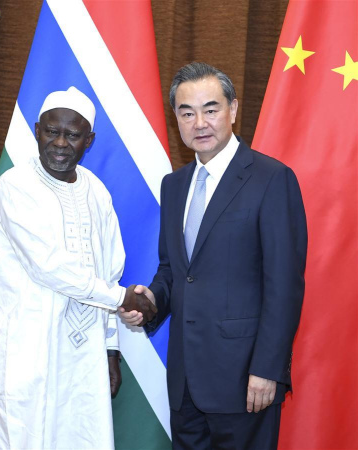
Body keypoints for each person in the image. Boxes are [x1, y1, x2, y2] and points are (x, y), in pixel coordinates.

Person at [120, 63, 307, 449]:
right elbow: (174, 270)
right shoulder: (175, 185)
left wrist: (267, 369)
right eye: (187, 112)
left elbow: (284, 285)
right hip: (186, 381)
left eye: (211, 109)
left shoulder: (272, 179)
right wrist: (153, 299)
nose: (199, 122)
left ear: (233, 110)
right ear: (177, 119)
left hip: (245, 380)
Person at [0, 86, 156, 449]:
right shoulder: (16, 187)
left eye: (72, 135)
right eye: (51, 131)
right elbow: (49, 267)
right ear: (35, 130)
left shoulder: (97, 192)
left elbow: (108, 271)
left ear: (88, 140)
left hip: (82, 353)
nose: (60, 142)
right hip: (24, 351)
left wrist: (110, 350)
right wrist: (123, 298)